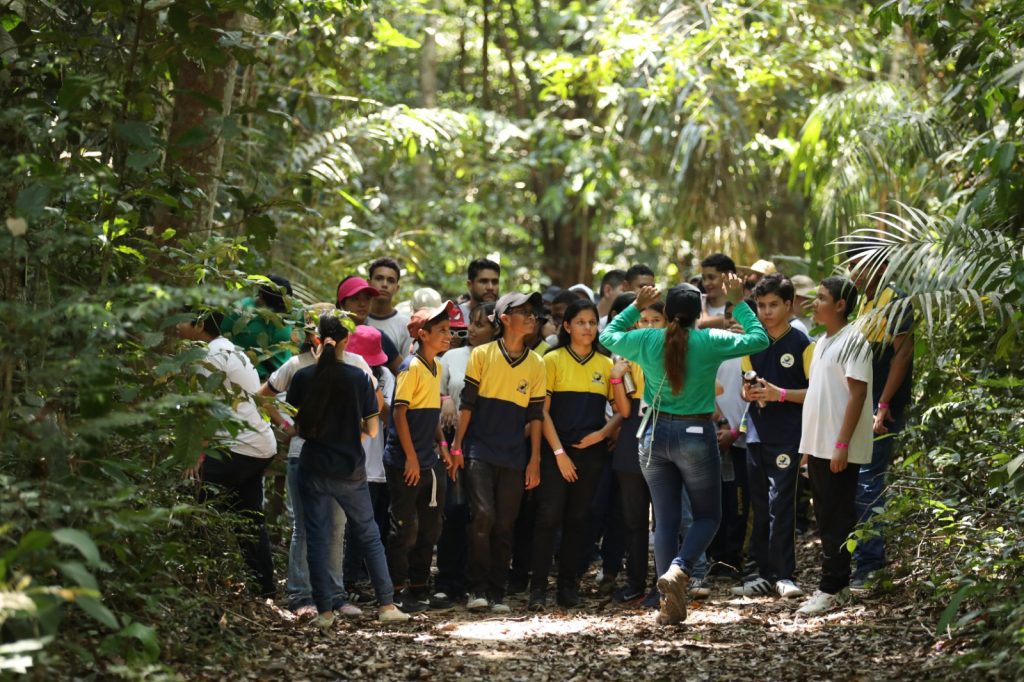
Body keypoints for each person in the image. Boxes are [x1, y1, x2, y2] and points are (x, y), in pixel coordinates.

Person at [600, 280, 769, 625]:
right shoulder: (710, 340)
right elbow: (759, 339)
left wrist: (635, 305)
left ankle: (669, 603)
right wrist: (738, 302)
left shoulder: (648, 338)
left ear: (664, 313)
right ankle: (680, 569)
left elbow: (608, 337)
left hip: (654, 435)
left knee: (666, 520)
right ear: (698, 316)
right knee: (708, 516)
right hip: (695, 432)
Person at [285, 314, 409, 626]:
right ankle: (387, 605)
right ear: (345, 342)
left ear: (317, 339)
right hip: (349, 468)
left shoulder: (303, 377)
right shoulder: (358, 378)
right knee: (368, 533)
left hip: (311, 467)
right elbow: (370, 427)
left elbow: (297, 427)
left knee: (315, 536)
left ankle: (325, 612)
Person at [258, 303, 378, 616]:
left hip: (343, 461)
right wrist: (288, 428)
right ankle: (301, 596)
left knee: (337, 527)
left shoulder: (356, 364)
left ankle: (335, 595)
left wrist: (358, 436)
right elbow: (263, 396)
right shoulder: (297, 366)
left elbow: (373, 404)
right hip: (304, 457)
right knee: (306, 527)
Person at [528, 299, 630, 610]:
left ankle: (567, 587)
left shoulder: (604, 363)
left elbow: (623, 411)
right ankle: (537, 590)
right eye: (581, 322)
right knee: (548, 518)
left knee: (579, 520)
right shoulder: (552, 359)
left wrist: (602, 433)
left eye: (592, 322)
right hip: (555, 453)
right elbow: (541, 413)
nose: (588, 328)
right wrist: (559, 453)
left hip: (592, 456)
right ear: (567, 326)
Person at [451, 291, 547, 614]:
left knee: (506, 524)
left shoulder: (536, 363)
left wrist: (534, 459)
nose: (532, 317)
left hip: (514, 455)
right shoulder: (482, 355)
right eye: (524, 312)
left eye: (533, 313)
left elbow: (536, 416)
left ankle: (497, 592)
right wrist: (457, 445)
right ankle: (475, 588)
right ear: (505, 319)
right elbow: (467, 405)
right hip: (479, 448)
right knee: (483, 516)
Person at [178, 308, 278, 599]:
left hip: (241, 446)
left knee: (191, 497)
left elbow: (205, 409)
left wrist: (195, 456)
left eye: (182, 320)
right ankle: (264, 588)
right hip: (259, 445)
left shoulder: (208, 357)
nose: (177, 326)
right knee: (248, 516)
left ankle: (197, 579)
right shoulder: (231, 350)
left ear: (198, 324)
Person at [795, 277, 874, 616]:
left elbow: (857, 394)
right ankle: (834, 584)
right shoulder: (825, 341)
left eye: (822, 298)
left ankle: (833, 587)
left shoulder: (854, 340)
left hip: (838, 447)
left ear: (840, 305)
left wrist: (842, 443)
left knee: (837, 516)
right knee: (825, 516)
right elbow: (820, 396)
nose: (815, 303)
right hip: (820, 445)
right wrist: (809, 446)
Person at [731, 274, 812, 600]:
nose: (766, 311)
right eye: (761, 305)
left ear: (789, 305)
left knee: (783, 505)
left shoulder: (803, 344)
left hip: (789, 436)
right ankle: (759, 574)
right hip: (756, 434)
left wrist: (779, 394)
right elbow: (743, 384)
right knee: (758, 506)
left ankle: (784, 575)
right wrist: (749, 392)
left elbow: (814, 393)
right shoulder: (753, 343)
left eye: (773, 305)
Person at [384, 302, 457, 613]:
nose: (449, 336)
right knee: (404, 526)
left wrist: (442, 445)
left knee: (431, 526)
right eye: (441, 331)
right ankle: (396, 589)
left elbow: (431, 416)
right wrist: (411, 458)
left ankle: (418, 586)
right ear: (423, 334)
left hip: (429, 459)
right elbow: (398, 414)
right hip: (405, 461)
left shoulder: (437, 367)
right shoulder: (410, 367)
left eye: (450, 331)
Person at [850, 255, 914, 589]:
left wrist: (884, 404)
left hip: (881, 409)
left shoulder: (896, 300)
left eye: (859, 265)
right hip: (860, 406)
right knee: (858, 479)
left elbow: (902, 355)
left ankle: (871, 566)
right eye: (851, 266)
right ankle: (862, 558)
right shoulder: (865, 301)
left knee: (868, 480)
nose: (854, 273)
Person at [435, 303, 496, 603]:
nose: (471, 329)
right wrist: (446, 398)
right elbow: (435, 389)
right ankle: (447, 581)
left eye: (480, 325)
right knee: (455, 511)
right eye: (471, 323)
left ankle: (479, 584)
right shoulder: (452, 356)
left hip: (489, 441)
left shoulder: (502, 358)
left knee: (482, 515)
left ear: (496, 329)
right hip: (453, 439)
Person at [340, 325, 394, 604]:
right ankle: (347, 582)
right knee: (348, 527)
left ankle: (371, 583)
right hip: (347, 462)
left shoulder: (387, 378)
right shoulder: (342, 375)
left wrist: (373, 391)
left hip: (378, 465)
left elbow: (389, 418)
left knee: (372, 527)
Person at [221, 275, 295, 380]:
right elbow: (220, 337)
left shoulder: (286, 314)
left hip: (280, 380)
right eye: (273, 309)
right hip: (243, 377)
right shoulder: (240, 310)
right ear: (260, 296)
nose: (278, 315)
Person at [337, 275, 403, 373]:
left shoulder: (377, 336)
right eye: (355, 299)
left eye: (367, 298)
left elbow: (403, 372)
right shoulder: (333, 335)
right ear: (342, 304)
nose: (362, 304)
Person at [367, 257, 412, 363]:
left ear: (397, 288)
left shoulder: (406, 325)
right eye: (379, 278)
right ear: (369, 283)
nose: (384, 284)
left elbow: (407, 369)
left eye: (391, 281)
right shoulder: (356, 319)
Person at [699, 253, 737, 329]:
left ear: (728, 276)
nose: (706, 283)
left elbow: (702, 323)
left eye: (711, 277)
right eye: (704, 278)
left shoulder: (739, 308)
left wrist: (702, 304)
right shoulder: (697, 303)